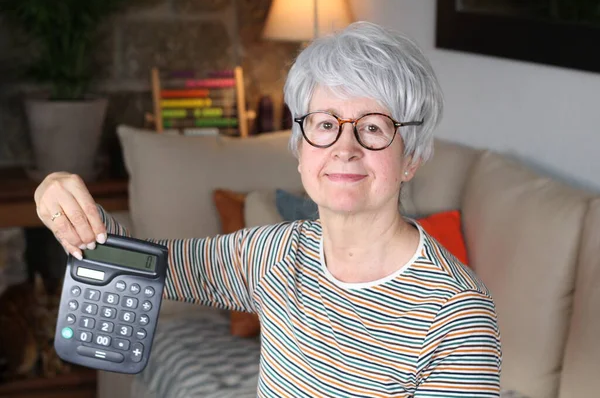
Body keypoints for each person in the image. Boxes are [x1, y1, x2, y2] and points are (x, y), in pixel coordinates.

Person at [35, 21, 501, 397]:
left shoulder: (458, 316)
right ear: (301, 151)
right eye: (325, 124)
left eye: (374, 128)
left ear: (411, 157)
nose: (345, 147)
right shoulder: (275, 255)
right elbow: (145, 263)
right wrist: (65, 205)